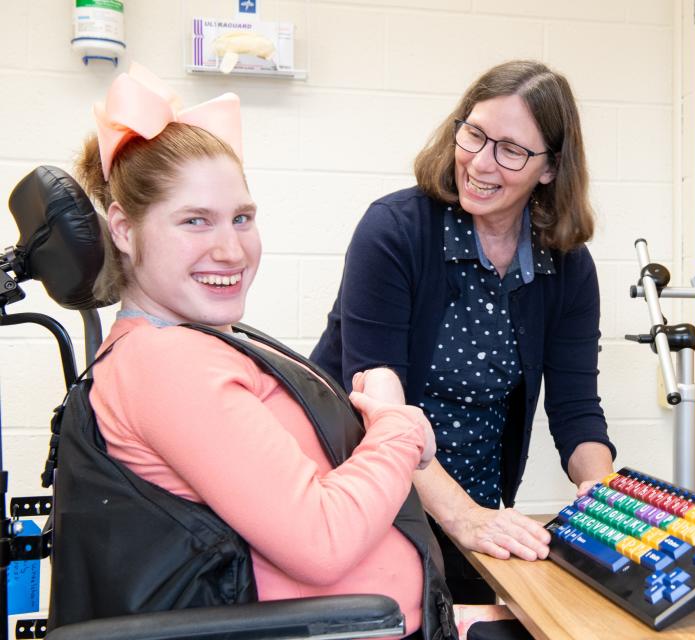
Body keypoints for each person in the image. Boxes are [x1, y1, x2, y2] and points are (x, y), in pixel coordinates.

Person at [66, 63, 455, 640]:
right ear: (123, 229)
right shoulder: (164, 363)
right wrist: (398, 429)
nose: (231, 249)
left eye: (242, 218)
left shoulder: (185, 342)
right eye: (195, 221)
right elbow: (320, 541)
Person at [311, 59, 617, 602]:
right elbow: (377, 409)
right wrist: (465, 518)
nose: (480, 162)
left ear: (550, 168)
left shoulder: (567, 264)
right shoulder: (396, 232)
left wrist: (604, 497)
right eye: (474, 134)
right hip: (364, 498)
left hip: (474, 508)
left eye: (512, 150)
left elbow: (576, 409)